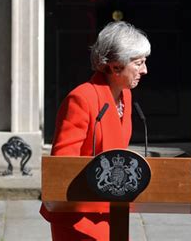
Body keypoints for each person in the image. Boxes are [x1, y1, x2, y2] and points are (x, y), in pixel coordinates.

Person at [40, 21, 151, 240]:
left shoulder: (125, 97)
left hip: (113, 211)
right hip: (78, 216)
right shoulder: (81, 99)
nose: (145, 70)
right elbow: (62, 167)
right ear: (116, 66)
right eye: (138, 63)